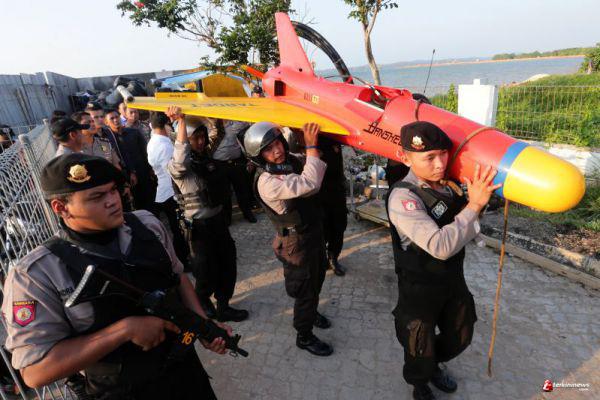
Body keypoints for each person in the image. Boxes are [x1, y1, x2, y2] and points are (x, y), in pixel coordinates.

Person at [1, 153, 233, 399]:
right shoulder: (36, 274)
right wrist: (124, 331)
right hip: (120, 391)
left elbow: (178, 277)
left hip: (185, 373)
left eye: (113, 190)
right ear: (61, 207)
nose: (113, 201)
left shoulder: (146, 225)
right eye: (97, 197)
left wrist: (203, 326)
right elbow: (35, 372)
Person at [385, 121, 501, 400]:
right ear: (406, 158)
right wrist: (474, 205)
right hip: (419, 287)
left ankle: (433, 363)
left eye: (444, 154)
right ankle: (420, 384)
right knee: (418, 343)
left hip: (451, 279)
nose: (440, 164)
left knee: (462, 333)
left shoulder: (448, 185)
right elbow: (440, 245)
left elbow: (466, 223)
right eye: (429, 158)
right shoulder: (404, 197)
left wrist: (478, 204)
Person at [241, 121, 333, 356]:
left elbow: (308, 160)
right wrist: (310, 146)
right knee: (305, 289)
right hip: (296, 243)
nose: (277, 151)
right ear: (259, 156)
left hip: (311, 233)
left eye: (278, 143)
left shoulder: (285, 162)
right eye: (268, 149)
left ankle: (311, 312)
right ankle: (304, 335)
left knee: (318, 277)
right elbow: (310, 183)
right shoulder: (267, 181)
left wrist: (303, 142)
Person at [166, 106, 249, 323]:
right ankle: (202, 300)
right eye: (196, 138)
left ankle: (224, 306)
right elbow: (181, 157)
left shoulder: (206, 157)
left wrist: (210, 108)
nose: (201, 142)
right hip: (198, 228)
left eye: (202, 137)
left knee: (227, 263)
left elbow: (218, 133)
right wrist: (181, 121)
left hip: (218, 222)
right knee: (205, 270)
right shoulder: (178, 168)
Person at [147, 111, 190, 268]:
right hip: (172, 192)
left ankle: (183, 257)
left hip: (164, 189)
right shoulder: (165, 145)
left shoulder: (153, 142)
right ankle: (183, 259)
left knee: (177, 228)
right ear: (166, 124)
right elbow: (175, 171)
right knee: (180, 229)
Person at [105, 109, 157, 212]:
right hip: (125, 178)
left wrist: (151, 169)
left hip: (143, 173)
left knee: (150, 203)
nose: (115, 120)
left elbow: (145, 152)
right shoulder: (108, 140)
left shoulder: (133, 132)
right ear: (106, 122)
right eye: (112, 118)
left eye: (117, 117)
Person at [210, 120, 257, 224]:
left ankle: (247, 212)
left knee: (242, 189)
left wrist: (250, 159)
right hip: (219, 164)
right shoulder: (211, 124)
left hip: (237, 162)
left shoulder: (239, 122)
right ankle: (227, 218)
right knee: (225, 192)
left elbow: (248, 138)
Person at [318, 136, 348, 276]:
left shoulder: (335, 136)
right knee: (322, 228)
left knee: (339, 226)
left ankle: (333, 258)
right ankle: (322, 259)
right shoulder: (308, 138)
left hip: (337, 189)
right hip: (318, 192)